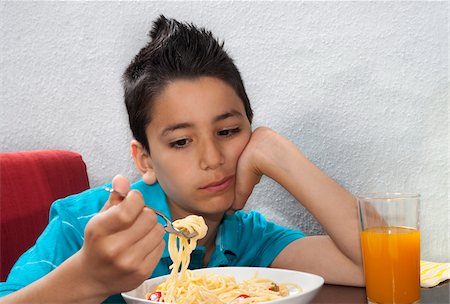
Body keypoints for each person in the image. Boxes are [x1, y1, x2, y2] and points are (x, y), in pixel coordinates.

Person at [0, 15, 364, 303]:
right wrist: (88, 277)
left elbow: (385, 264)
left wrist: (279, 155)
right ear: (145, 160)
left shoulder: (245, 235)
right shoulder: (85, 224)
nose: (211, 159)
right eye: (181, 142)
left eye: (227, 132)